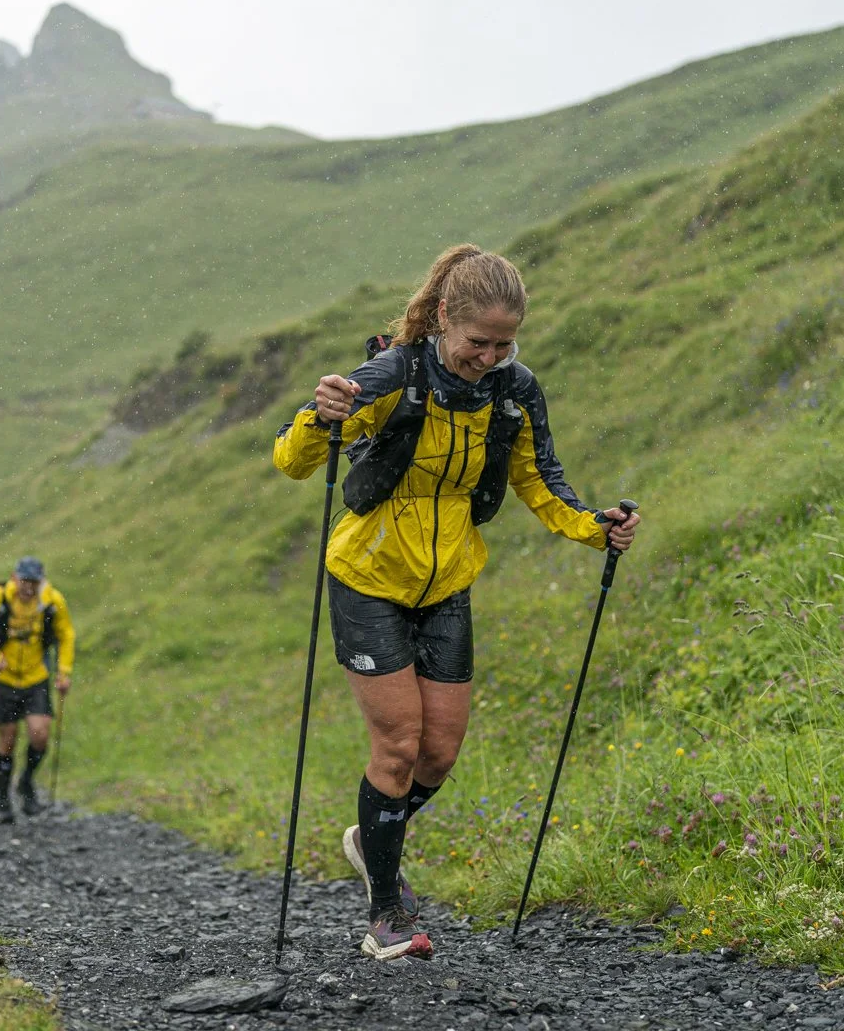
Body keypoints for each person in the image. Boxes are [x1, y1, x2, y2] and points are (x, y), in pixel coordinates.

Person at [273, 243, 638, 960]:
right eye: (478, 342)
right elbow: (293, 460)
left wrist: (598, 528)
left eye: (505, 344)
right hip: (369, 578)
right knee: (398, 746)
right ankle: (385, 914)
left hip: (447, 585)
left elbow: (541, 479)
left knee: (438, 754)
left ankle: (372, 837)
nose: (489, 357)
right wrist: (321, 415)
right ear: (444, 317)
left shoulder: (514, 390)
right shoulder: (393, 376)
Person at [0, 556, 75, 823]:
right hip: (4, 678)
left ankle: (26, 782)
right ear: (14, 578)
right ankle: (3, 800)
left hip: (36, 677)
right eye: (25, 581)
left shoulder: (52, 601)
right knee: (8, 738)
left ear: (41, 582)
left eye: (34, 582)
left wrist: (63, 672)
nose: (29, 588)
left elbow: (66, 635)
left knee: (40, 734)